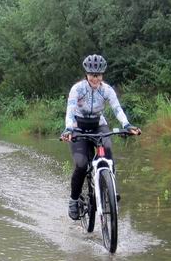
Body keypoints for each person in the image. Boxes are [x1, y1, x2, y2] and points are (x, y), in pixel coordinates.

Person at [60, 54, 140, 220]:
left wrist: (126, 125)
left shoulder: (106, 90)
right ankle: (74, 200)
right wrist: (68, 129)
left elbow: (117, 109)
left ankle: (110, 188)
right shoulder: (77, 89)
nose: (95, 78)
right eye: (92, 75)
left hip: (98, 124)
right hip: (78, 126)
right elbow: (70, 111)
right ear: (86, 74)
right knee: (81, 165)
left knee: (108, 150)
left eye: (98, 75)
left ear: (102, 75)